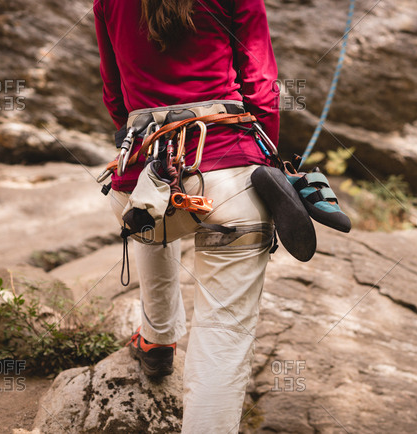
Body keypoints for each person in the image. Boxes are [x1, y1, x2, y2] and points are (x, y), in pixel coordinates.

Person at [94, 1, 279, 432]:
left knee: (148, 212)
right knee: (224, 332)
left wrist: (144, 143)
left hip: (147, 181)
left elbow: (114, 94)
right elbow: (263, 85)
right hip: (232, 177)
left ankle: (157, 338)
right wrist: (265, 163)